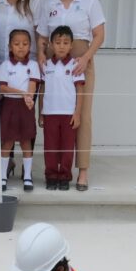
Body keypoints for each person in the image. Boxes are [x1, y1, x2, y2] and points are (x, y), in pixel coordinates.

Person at [36, 0, 105, 191]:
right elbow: (42, 35)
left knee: (82, 116)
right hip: (54, 63)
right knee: (53, 114)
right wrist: (40, 54)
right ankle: (54, 170)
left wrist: (85, 59)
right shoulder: (50, 4)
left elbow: (99, 35)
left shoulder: (89, 1)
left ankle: (82, 171)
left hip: (80, 60)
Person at [39, 26, 83, 191]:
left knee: (66, 147)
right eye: (58, 42)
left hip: (68, 114)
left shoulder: (75, 65)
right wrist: (41, 112)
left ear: (71, 45)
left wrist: (77, 113)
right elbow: (42, 89)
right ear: (51, 44)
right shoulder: (46, 65)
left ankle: (64, 176)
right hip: (50, 113)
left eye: (66, 43)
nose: (62, 46)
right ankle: (51, 176)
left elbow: (80, 90)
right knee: (50, 147)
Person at [0, 29, 40, 192]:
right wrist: (23, 94)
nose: (21, 47)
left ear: (30, 46)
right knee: (7, 141)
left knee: (26, 142)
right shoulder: (5, 65)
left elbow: (32, 86)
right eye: (16, 44)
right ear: (10, 46)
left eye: (25, 44)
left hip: (25, 107)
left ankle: (27, 177)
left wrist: (28, 98)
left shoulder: (33, 65)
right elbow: (3, 88)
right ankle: (2, 176)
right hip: (9, 106)